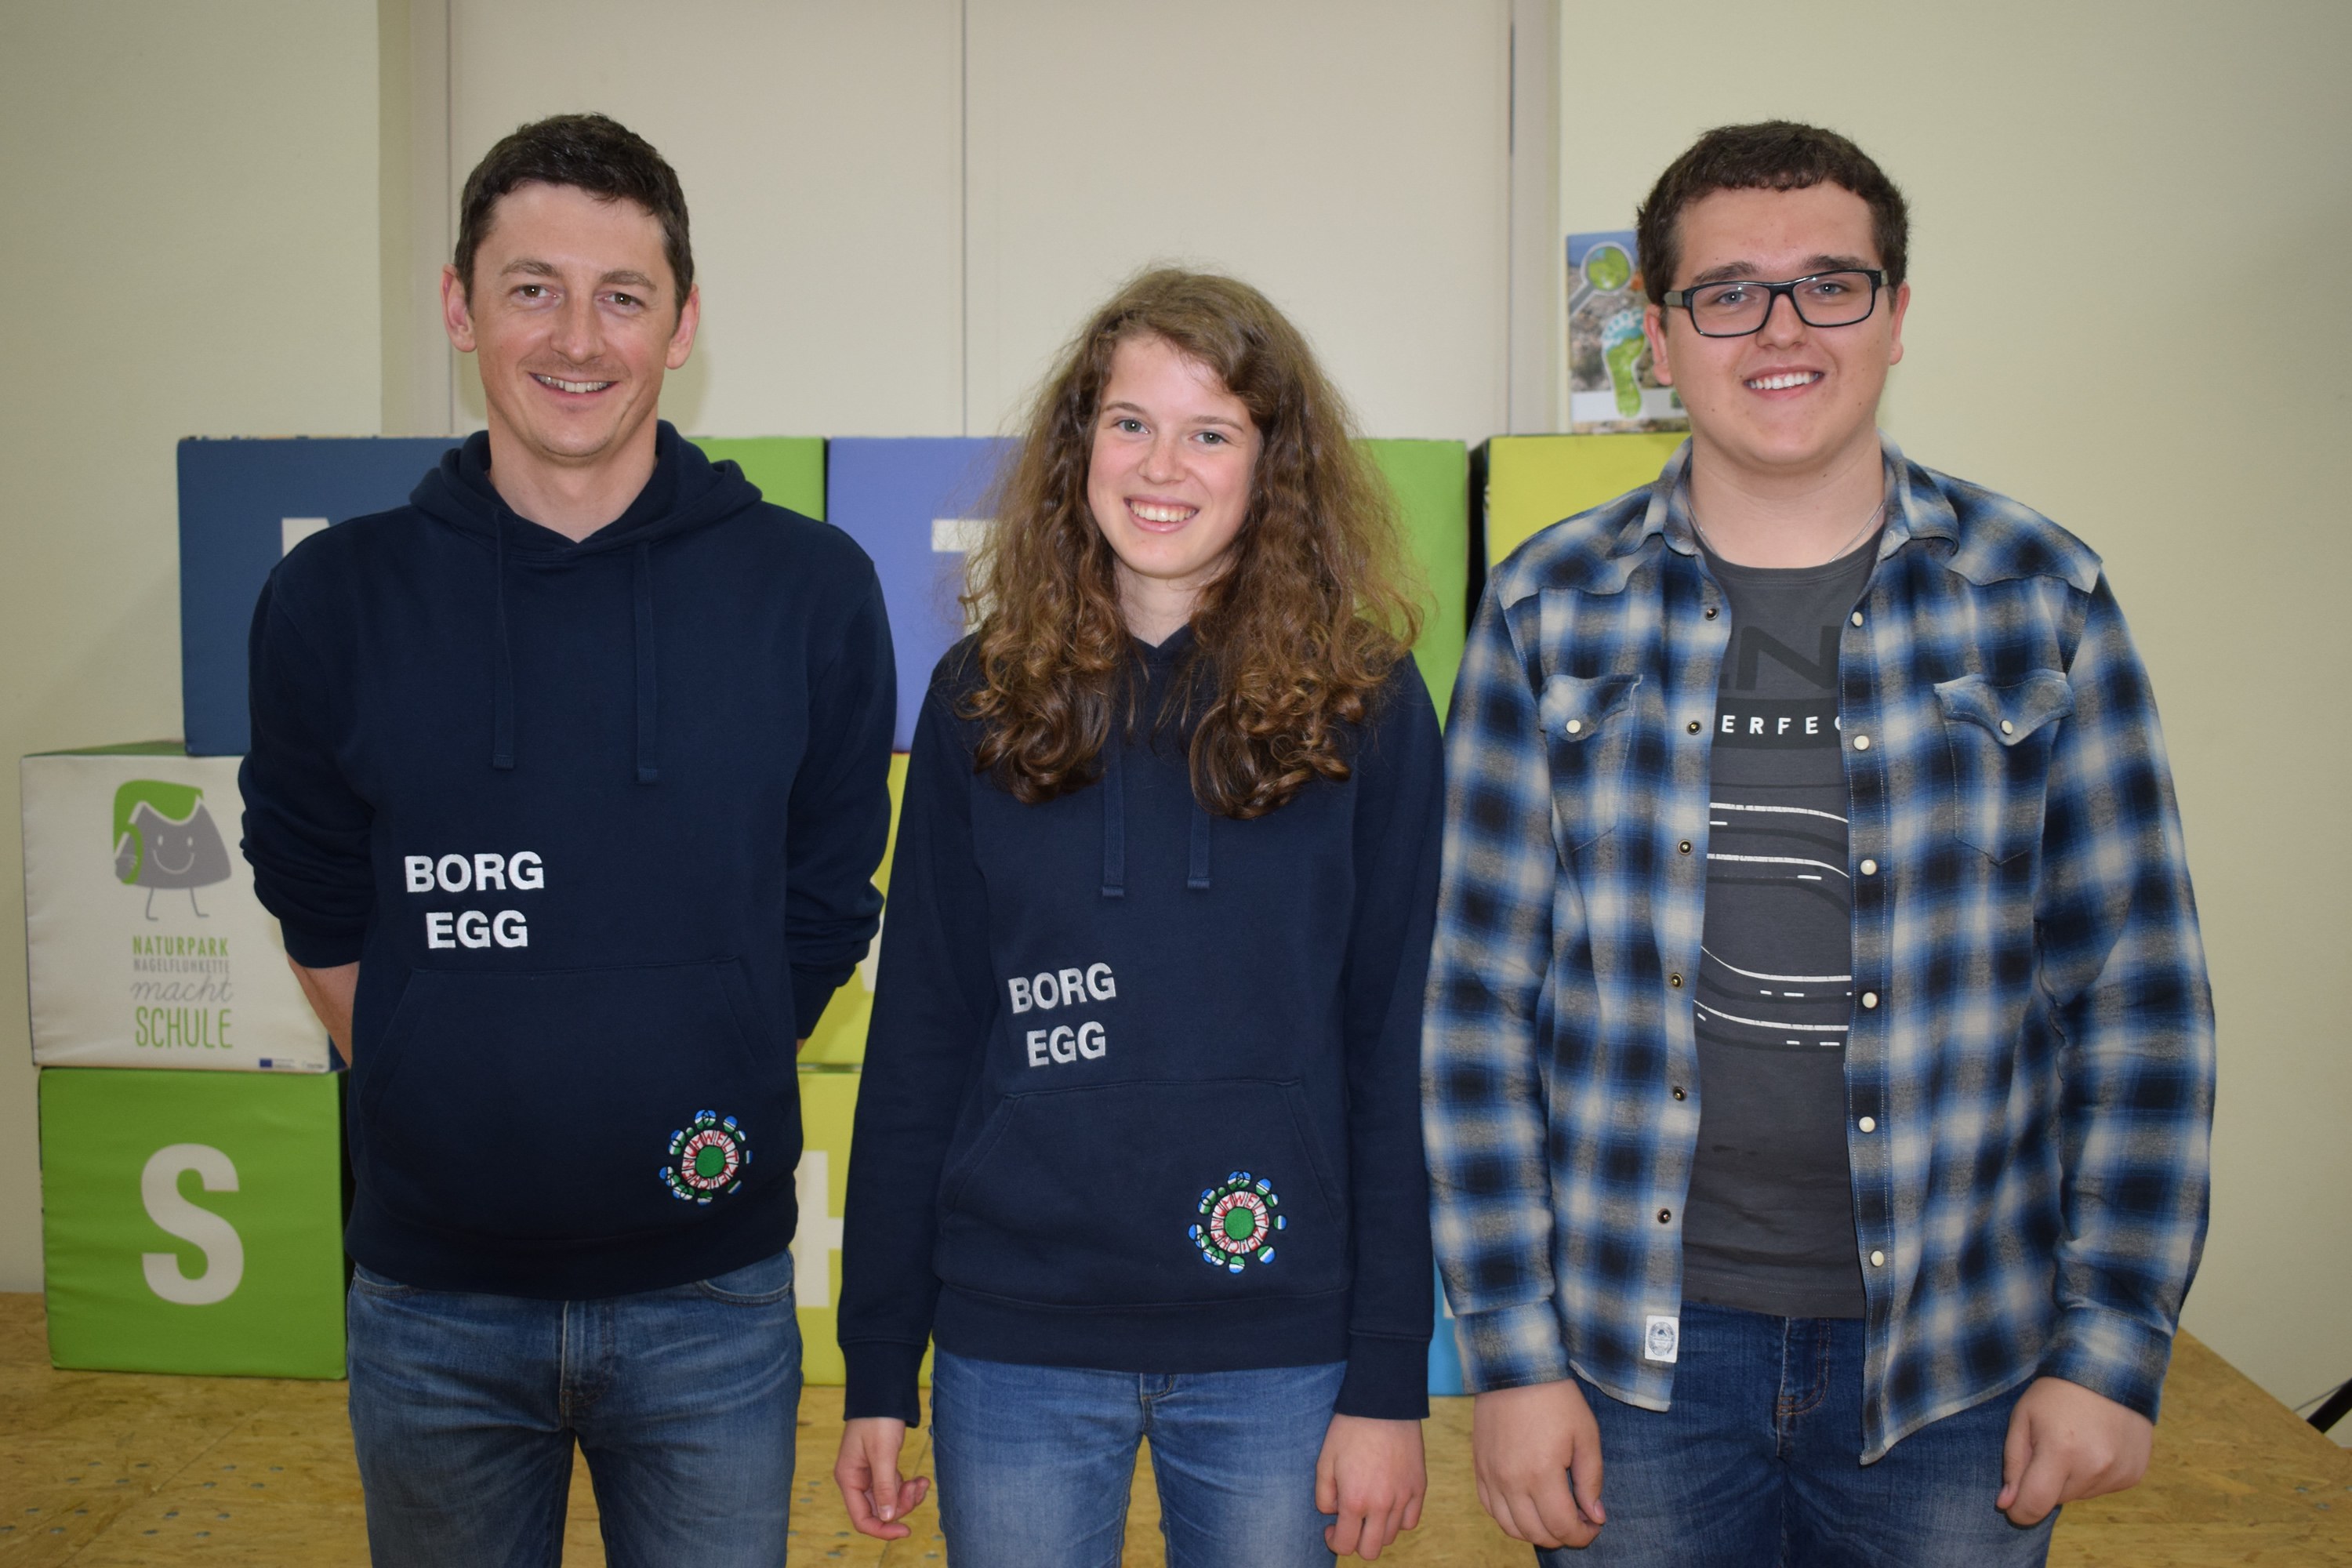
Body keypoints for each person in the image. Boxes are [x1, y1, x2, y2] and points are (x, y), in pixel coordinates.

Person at [1425, 122, 2214, 1566]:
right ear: (1658, 336)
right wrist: (1514, 1354)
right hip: (1627, 1365)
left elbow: (2137, 997)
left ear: (1896, 315)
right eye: (1729, 292)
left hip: (1960, 1360)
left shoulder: (2039, 597)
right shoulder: (1549, 610)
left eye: (1830, 285)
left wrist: (2111, 1344)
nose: (1781, 329)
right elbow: (1476, 1002)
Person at [238, 112, 895, 1566]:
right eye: (532, 288)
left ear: (684, 323)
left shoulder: (810, 590)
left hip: (711, 1298)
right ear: (459, 306)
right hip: (431, 1305)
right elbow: (317, 900)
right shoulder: (335, 601)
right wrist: (436, 1070)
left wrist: (705, 1038)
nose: (578, 338)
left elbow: (823, 902)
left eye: (623, 295)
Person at [831, 269, 1443, 1566]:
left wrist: (1391, 1373)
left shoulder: (1369, 706)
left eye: (1211, 432)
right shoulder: (979, 699)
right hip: (1017, 1340)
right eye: (1130, 423)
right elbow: (923, 1036)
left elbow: (1398, 1048)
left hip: (1280, 1344)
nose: (1162, 467)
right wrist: (878, 1358)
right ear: (1080, 446)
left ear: (1272, 467)